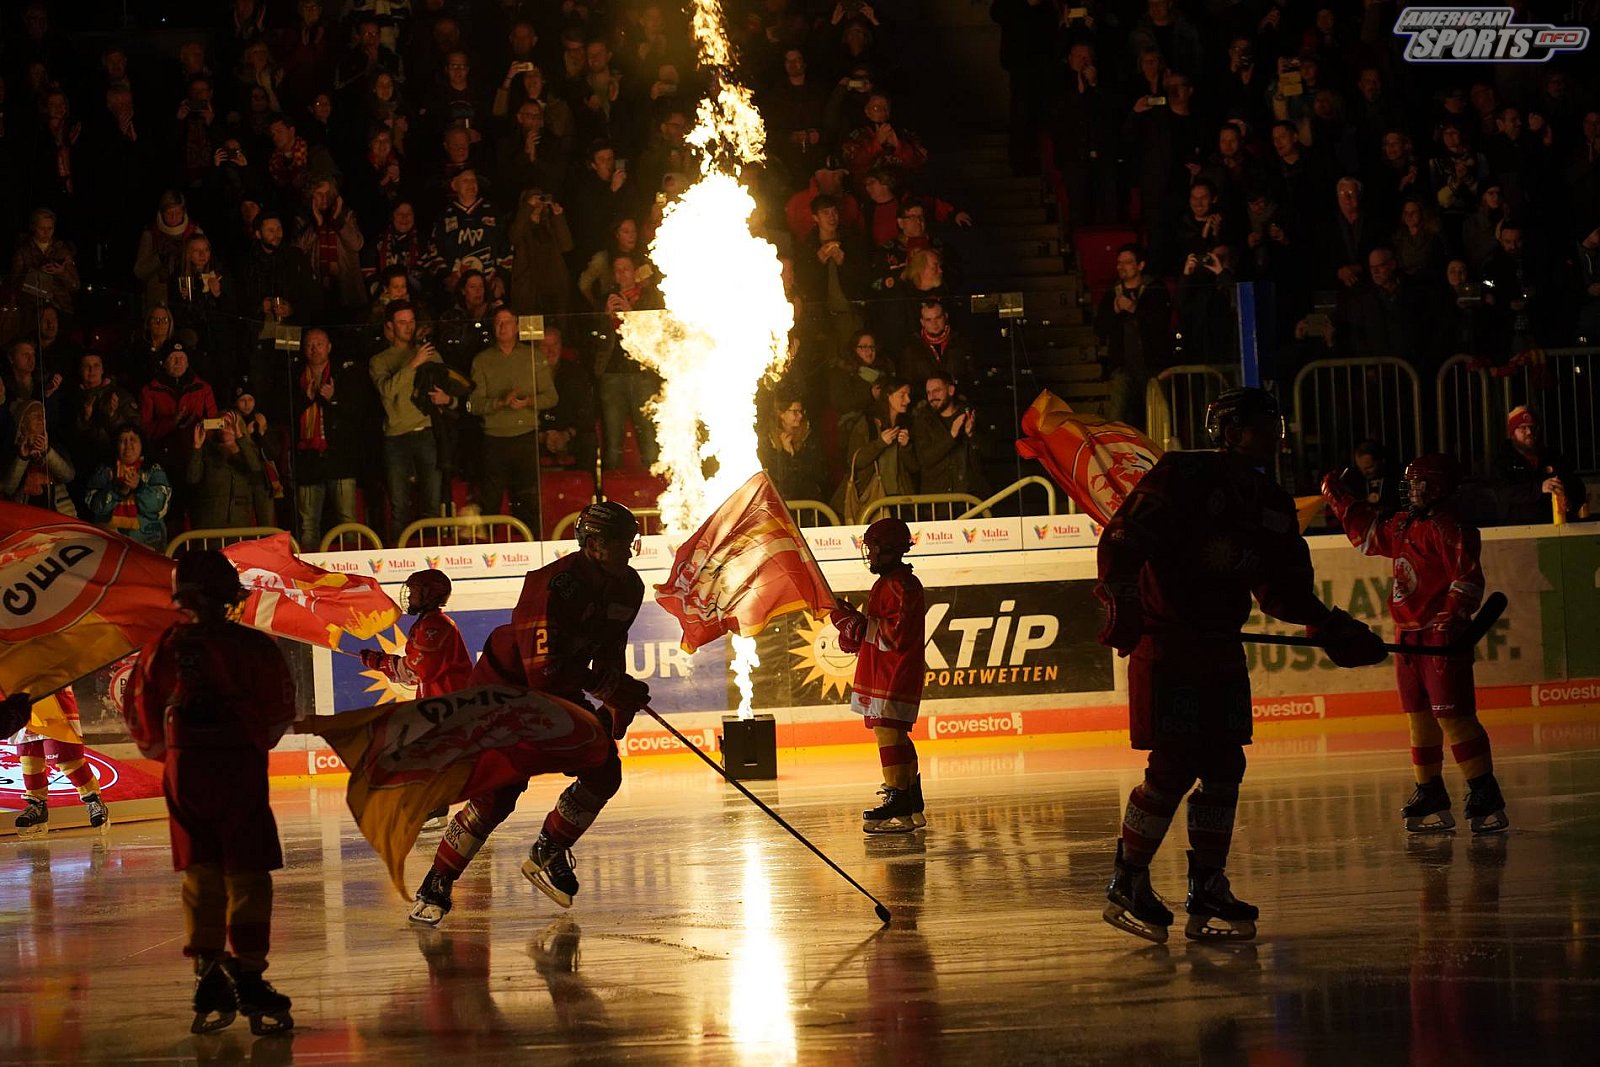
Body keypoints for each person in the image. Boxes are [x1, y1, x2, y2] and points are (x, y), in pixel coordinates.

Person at [1095, 387, 1386, 944]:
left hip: (1219, 648)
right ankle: (1127, 880)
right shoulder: (1178, 476)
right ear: (1230, 431)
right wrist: (1121, 598)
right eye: (1264, 424)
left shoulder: (1269, 500)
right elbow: (1123, 540)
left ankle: (1207, 883)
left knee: (1226, 765)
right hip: (1170, 647)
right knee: (1175, 766)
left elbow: (1282, 589)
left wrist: (1330, 626)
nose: (1277, 433)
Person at [408, 503, 649, 925]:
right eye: (620, 545)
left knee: (604, 770)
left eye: (631, 543)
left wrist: (617, 703)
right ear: (592, 545)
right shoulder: (552, 584)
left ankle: (548, 849)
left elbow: (610, 648)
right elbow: (546, 671)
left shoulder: (629, 585)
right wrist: (607, 689)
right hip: (507, 691)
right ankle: (437, 881)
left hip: (558, 687)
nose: (628, 553)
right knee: (498, 792)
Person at [121, 550, 296, 1035]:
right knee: (248, 872)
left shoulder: (160, 647)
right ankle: (250, 976)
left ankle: (208, 971)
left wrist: (174, 755)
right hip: (239, 768)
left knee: (200, 870)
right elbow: (279, 715)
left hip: (184, 772)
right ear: (228, 595)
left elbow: (142, 721)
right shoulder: (253, 647)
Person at [1322, 454, 1508, 835]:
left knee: (1454, 717)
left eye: (1421, 483)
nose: (1413, 491)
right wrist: (1341, 500)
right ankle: (1429, 791)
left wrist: (1452, 615)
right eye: (1412, 483)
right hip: (1407, 637)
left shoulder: (1450, 527)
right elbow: (1371, 537)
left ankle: (1484, 792)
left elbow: (1468, 577)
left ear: (1439, 487)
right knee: (1419, 718)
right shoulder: (1407, 523)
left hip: (1440, 638)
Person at [830, 517, 927, 834]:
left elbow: (893, 635)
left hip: (893, 672)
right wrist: (851, 621)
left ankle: (897, 796)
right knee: (892, 733)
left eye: (872, 548)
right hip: (882, 671)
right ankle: (909, 799)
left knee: (888, 732)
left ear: (890, 550)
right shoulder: (890, 583)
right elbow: (876, 631)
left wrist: (854, 623)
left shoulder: (900, 585)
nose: (868, 554)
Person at [361, 568, 473, 832]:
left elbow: (418, 669)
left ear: (429, 594)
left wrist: (381, 662)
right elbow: (414, 676)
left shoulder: (436, 627)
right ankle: (435, 807)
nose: (409, 597)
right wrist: (384, 663)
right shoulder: (427, 624)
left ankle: (439, 808)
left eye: (413, 592)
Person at [468, 307, 558, 531]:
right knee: (490, 501)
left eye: (507, 322)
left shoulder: (533, 357)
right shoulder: (482, 360)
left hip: (526, 437)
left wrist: (527, 402)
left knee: (527, 500)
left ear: (517, 327)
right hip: (494, 439)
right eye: (498, 322)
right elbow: (474, 405)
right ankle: (488, 553)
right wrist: (500, 402)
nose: (503, 327)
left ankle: (531, 551)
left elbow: (551, 397)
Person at [7, 687, 108, 836]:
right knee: (30, 759)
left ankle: (93, 799)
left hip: (52, 701)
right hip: (23, 701)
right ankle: (37, 806)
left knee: (66, 757)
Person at [1491, 406, 1586, 524]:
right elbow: (1503, 493)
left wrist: (1570, 501)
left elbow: (1577, 486)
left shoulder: (1552, 456)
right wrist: (1539, 489)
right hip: (1519, 530)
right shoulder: (1503, 461)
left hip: (1558, 527)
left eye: (1532, 427)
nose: (1529, 432)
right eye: (1523, 428)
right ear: (1512, 433)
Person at [85, 427, 172, 548]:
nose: (128, 445)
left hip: (148, 543)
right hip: (110, 544)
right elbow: (94, 505)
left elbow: (160, 504)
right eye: (122, 441)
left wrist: (139, 487)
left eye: (133, 440)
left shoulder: (153, 470)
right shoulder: (104, 471)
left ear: (142, 444)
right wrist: (117, 491)